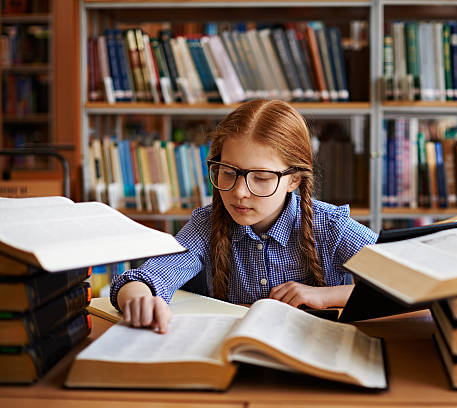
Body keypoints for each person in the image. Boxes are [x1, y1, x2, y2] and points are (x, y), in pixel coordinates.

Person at [110, 99, 377, 333]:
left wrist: (327, 296)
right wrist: (139, 299)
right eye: (228, 172)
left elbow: (410, 281)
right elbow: (145, 278)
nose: (239, 192)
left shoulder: (329, 226)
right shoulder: (206, 226)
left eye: (260, 178)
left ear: (294, 179)